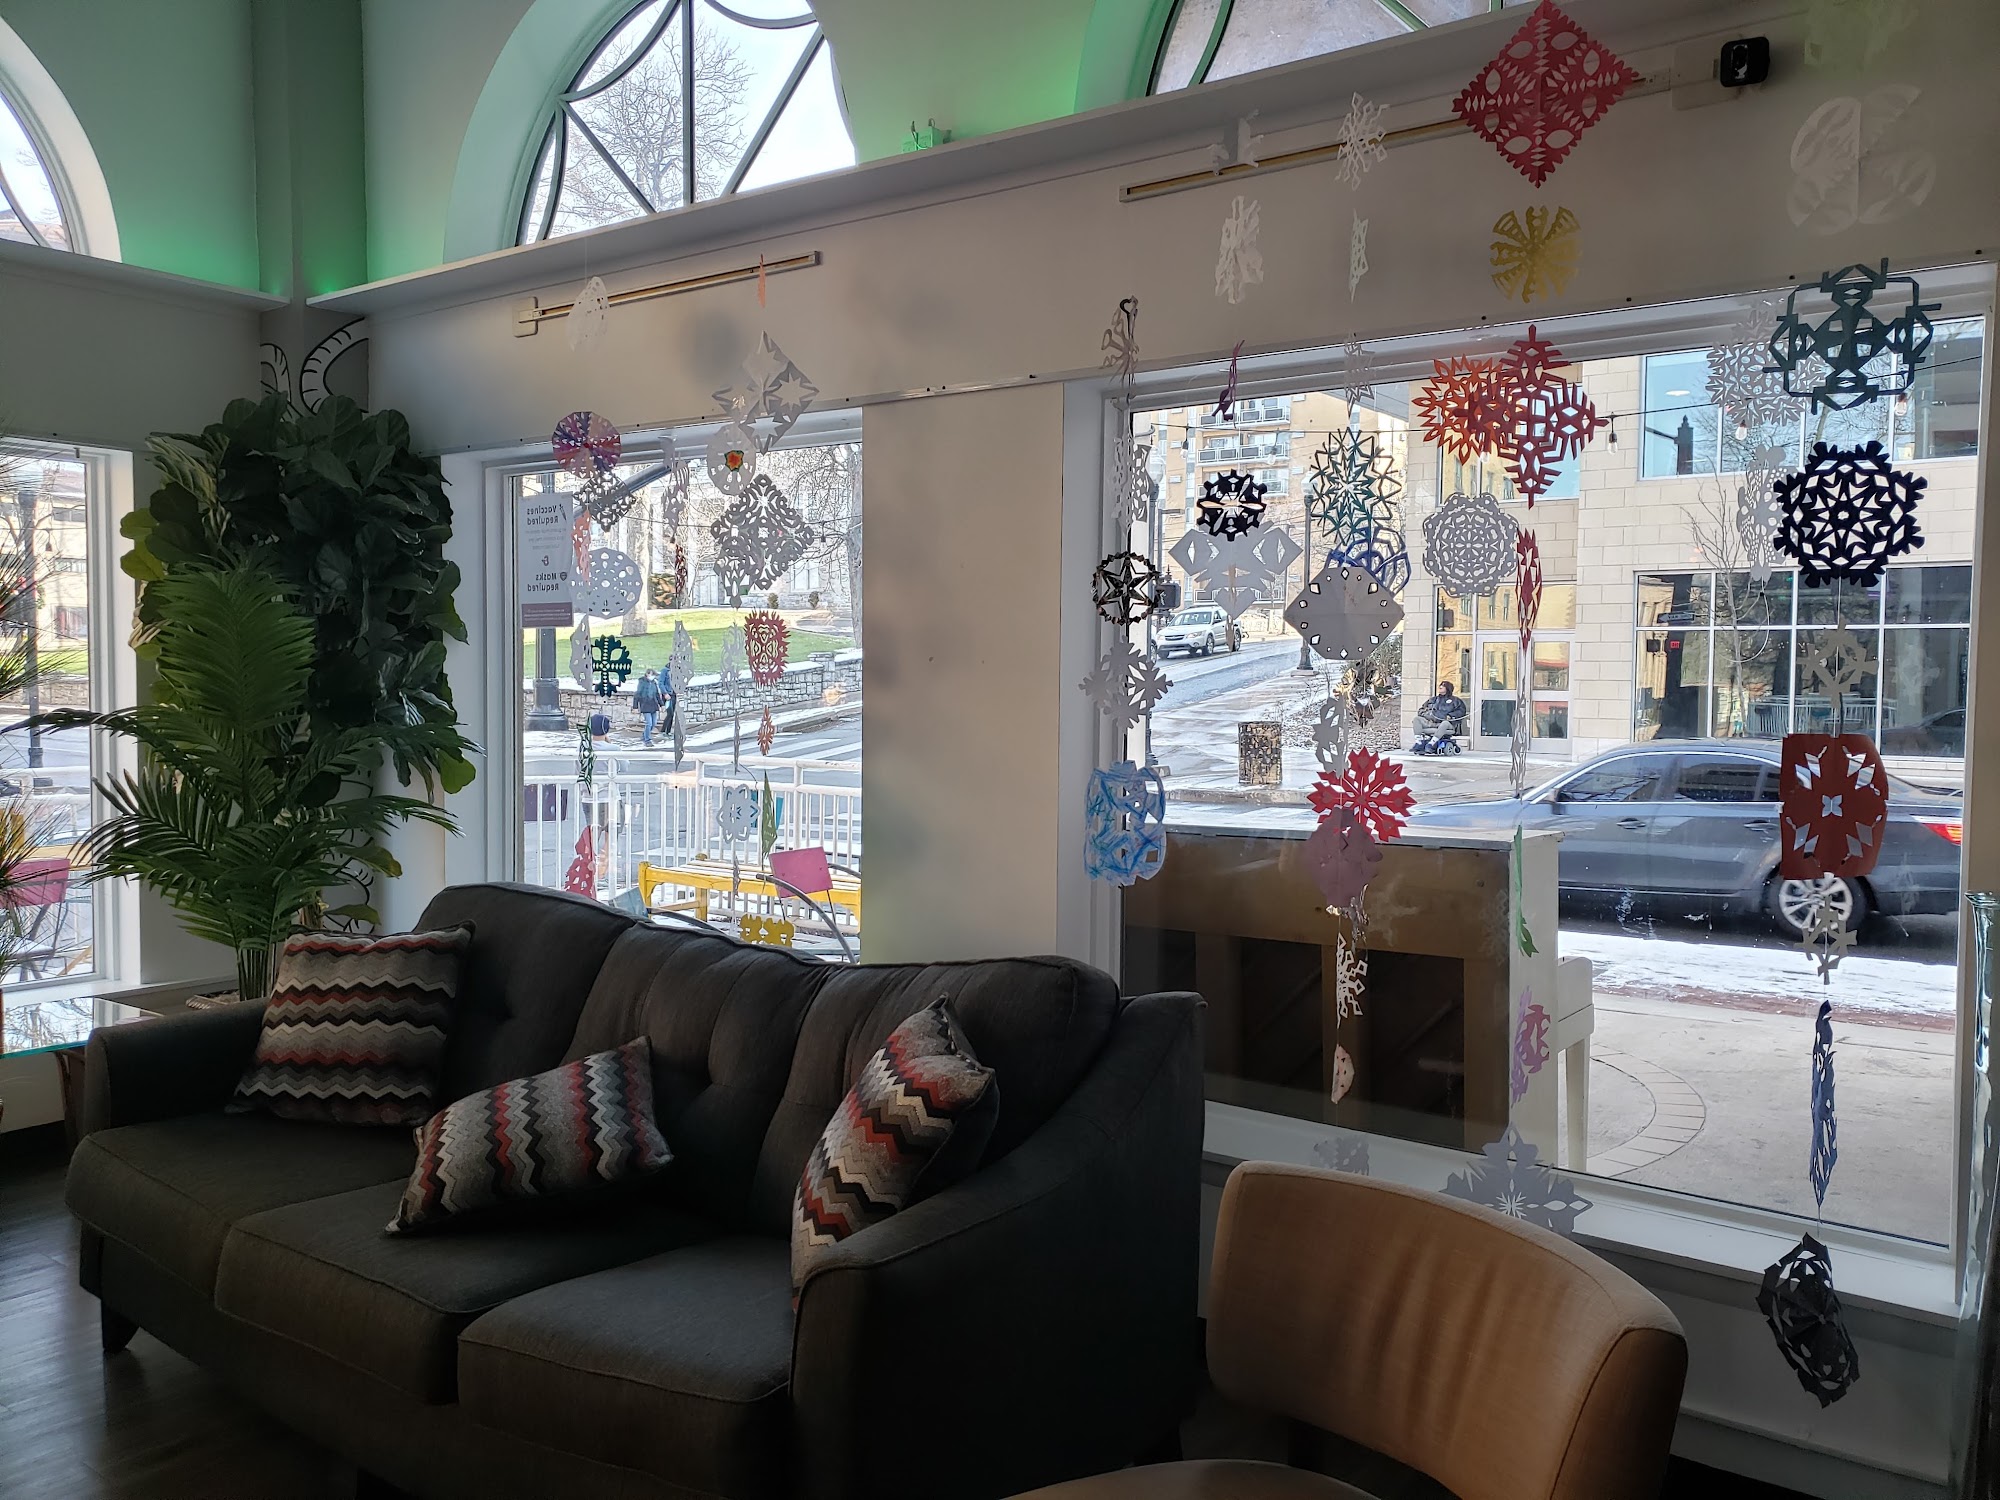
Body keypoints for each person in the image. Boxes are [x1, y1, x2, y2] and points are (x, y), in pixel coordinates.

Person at [633, 668, 665, 747]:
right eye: (652, 674)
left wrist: (662, 705)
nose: (653, 676)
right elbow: (637, 695)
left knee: (654, 723)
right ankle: (647, 740)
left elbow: (657, 695)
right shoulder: (642, 683)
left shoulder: (654, 683)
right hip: (645, 705)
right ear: (647, 674)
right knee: (649, 723)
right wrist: (635, 707)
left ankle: (644, 735)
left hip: (653, 705)